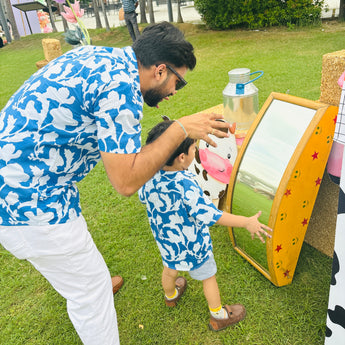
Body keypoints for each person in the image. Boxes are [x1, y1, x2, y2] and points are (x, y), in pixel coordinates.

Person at [0, 22, 230, 345]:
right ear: (160, 71)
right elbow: (126, 181)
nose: (175, 92)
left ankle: (86, 277)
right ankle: (91, 284)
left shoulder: (103, 59)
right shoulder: (121, 90)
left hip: (16, 178)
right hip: (28, 200)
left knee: (83, 272)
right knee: (90, 293)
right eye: (179, 81)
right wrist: (180, 129)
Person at [138, 120, 272, 331]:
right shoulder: (185, 184)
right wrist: (246, 222)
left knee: (170, 269)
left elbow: (143, 198)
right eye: (194, 148)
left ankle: (170, 296)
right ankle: (218, 315)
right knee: (208, 277)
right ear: (182, 157)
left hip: (167, 243)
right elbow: (212, 216)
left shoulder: (147, 176)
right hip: (195, 247)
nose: (196, 150)